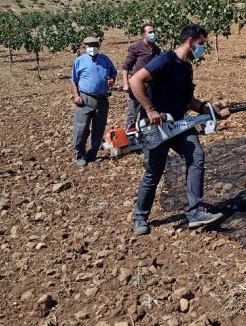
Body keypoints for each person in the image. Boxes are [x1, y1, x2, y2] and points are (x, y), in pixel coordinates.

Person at [129, 24, 231, 235]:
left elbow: (189, 101)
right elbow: (135, 80)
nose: (202, 48)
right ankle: (140, 217)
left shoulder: (186, 67)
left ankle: (195, 212)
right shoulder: (165, 60)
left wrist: (211, 110)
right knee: (154, 173)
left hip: (180, 124)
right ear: (190, 41)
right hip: (157, 127)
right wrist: (150, 110)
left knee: (197, 157)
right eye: (201, 43)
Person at [71, 36, 117, 168]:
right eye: (89, 45)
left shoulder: (105, 59)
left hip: (102, 99)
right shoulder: (79, 61)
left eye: (95, 45)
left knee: (98, 129)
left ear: (99, 46)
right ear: (84, 47)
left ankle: (92, 155)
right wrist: (76, 96)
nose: (92, 48)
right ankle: (80, 155)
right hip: (85, 99)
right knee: (81, 128)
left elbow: (113, 73)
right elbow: (73, 80)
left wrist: (111, 80)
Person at [122, 23, 161, 130]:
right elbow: (126, 67)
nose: (153, 34)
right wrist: (126, 84)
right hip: (136, 85)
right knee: (132, 114)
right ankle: (128, 137)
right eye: (150, 32)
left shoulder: (156, 50)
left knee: (147, 112)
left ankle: (144, 137)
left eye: (154, 32)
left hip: (150, 87)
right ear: (143, 35)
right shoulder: (136, 47)